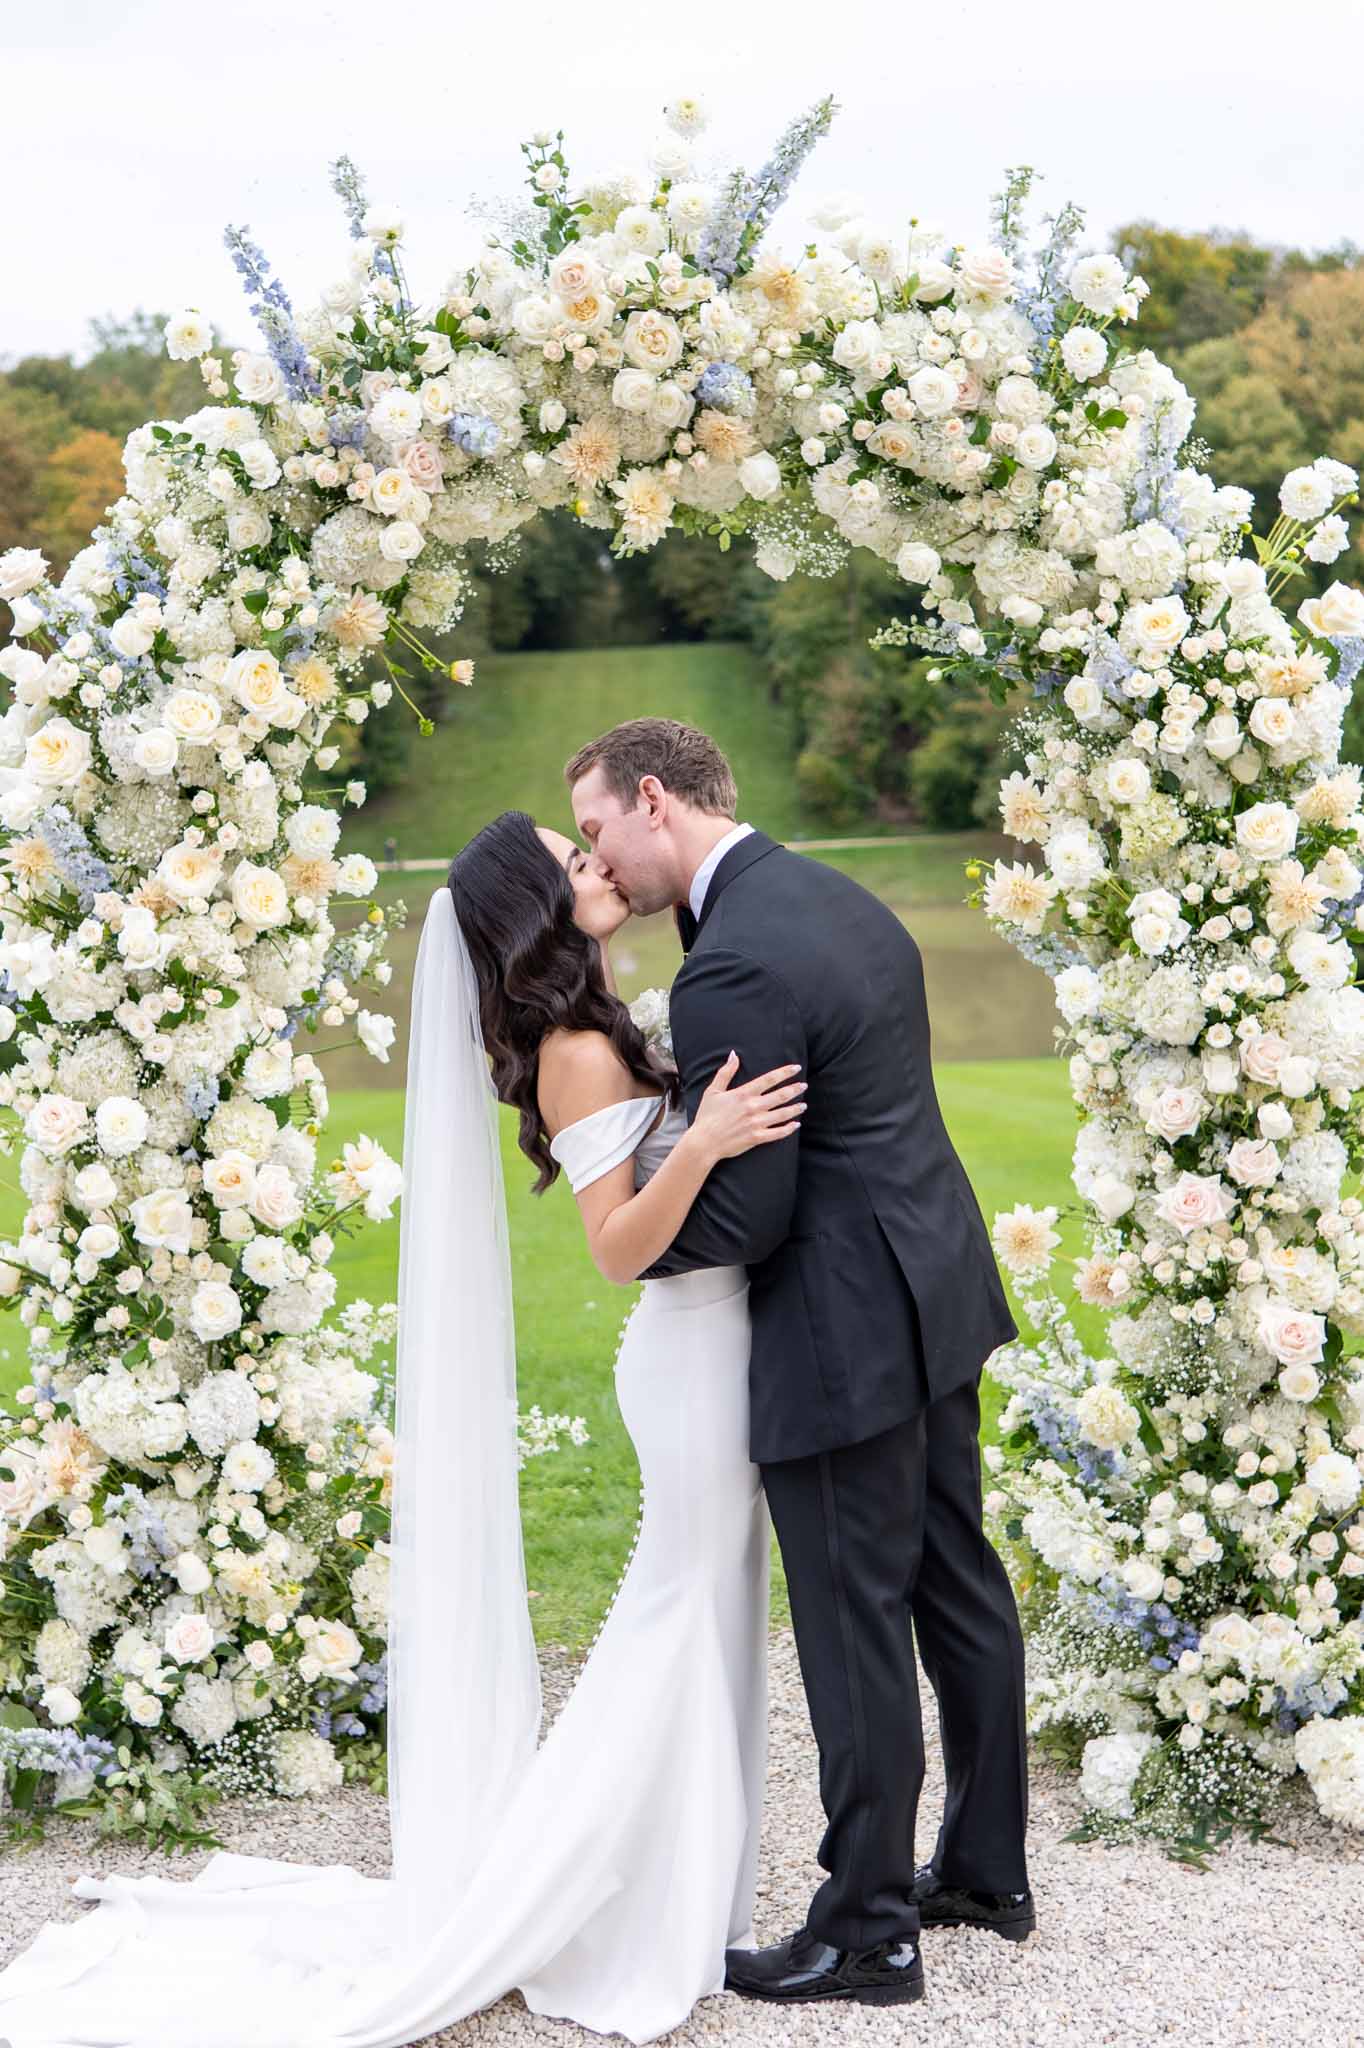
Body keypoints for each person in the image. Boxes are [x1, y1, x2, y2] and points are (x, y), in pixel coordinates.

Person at [0, 810, 805, 2047]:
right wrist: (699, 1141)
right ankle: (570, 1904)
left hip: (712, 1348)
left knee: (706, 1613)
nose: (593, 863)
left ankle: (671, 1899)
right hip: (685, 1356)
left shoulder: (589, 1021)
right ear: (529, 908)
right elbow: (613, 1248)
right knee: (676, 1614)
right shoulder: (575, 1051)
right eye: (566, 858)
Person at [565, 717, 1036, 2009]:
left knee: (853, 1616)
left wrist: (640, 1225)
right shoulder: (839, 897)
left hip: (841, 1328)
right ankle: (988, 1869)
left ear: (652, 798)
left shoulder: (735, 967)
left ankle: (871, 1927)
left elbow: (752, 1216)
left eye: (599, 829)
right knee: (955, 1580)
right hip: (935, 1279)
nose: (597, 861)